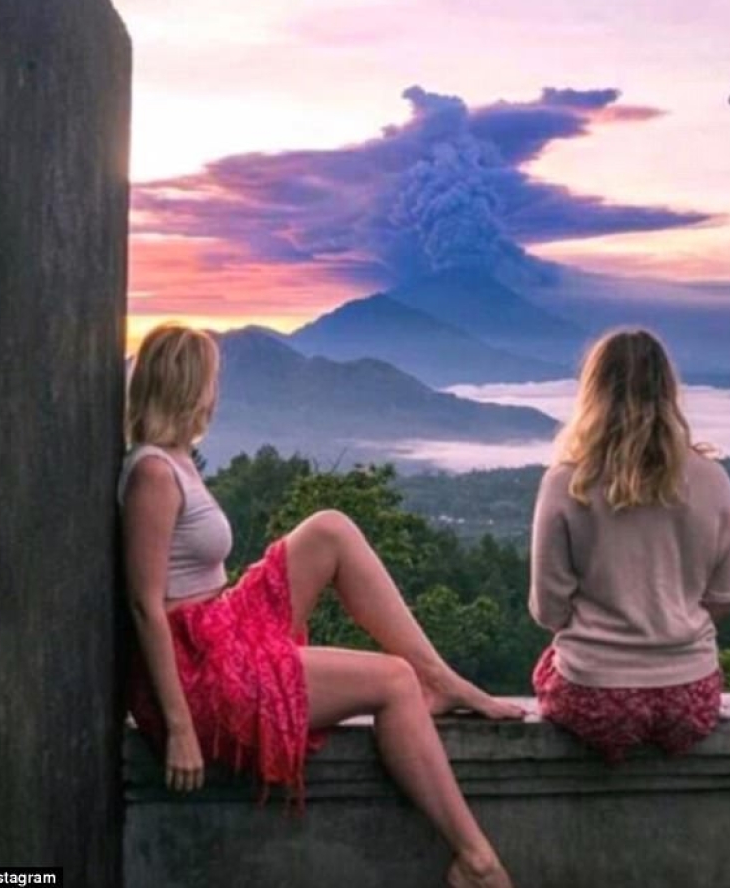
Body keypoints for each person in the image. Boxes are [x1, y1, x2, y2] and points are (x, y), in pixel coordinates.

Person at [119, 323, 525, 888]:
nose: (216, 393)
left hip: (220, 628)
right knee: (393, 681)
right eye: (210, 381)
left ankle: (442, 678)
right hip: (199, 673)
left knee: (330, 529)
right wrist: (180, 727)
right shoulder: (153, 475)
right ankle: (475, 859)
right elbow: (143, 605)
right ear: (188, 388)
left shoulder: (175, 458)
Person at [528, 328, 730, 763]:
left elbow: (549, 610)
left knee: (547, 668)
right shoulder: (713, 478)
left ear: (592, 393)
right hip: (690, 697)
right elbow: (725, 595)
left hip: (596, 700)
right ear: (670, 391)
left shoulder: (566, 482)